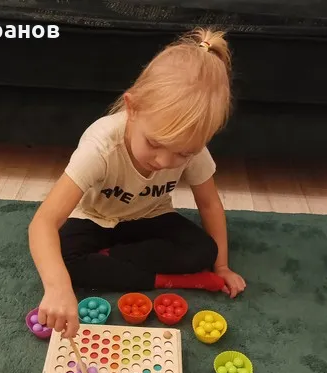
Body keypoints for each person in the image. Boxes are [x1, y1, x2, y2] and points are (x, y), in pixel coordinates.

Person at [29, 28, 246, 338]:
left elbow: (209, 203)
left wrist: (221, 266)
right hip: (96, 219)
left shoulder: (192, 148)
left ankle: (113, 259)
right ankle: (163, 278)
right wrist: (58, 288)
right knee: (62, 261)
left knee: (204, 251)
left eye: (183, 153)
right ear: (132, 109)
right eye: (154, 143)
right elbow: (43, 223)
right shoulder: (101, 147)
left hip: (151, 216)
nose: (164, 161)